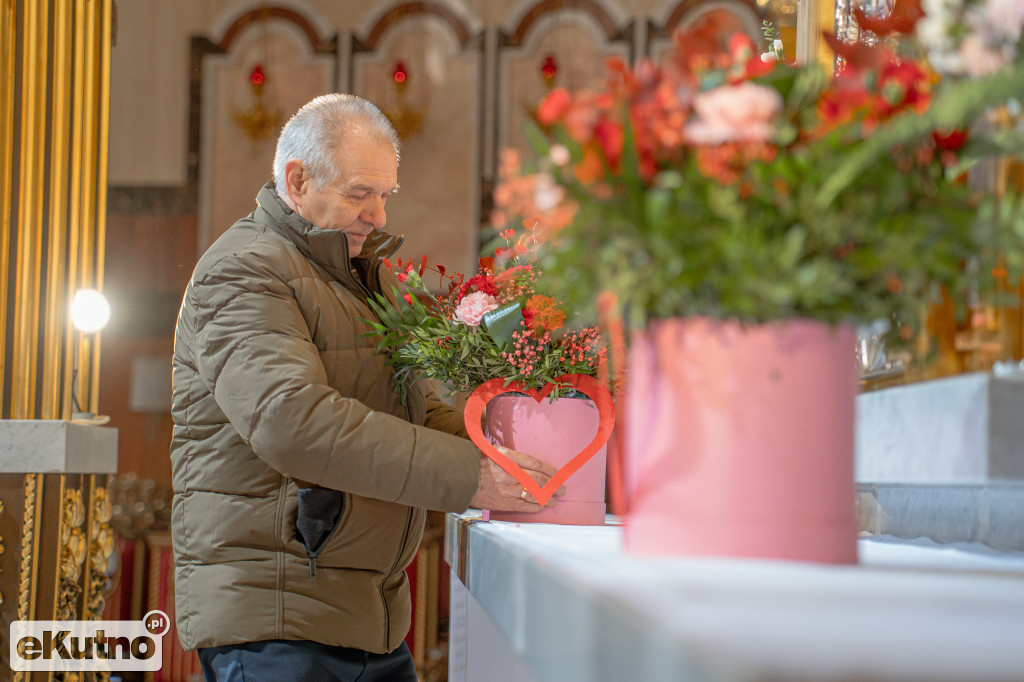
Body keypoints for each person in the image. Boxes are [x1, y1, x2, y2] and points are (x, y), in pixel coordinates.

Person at [170, 93, 562, 682]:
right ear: (297, 181)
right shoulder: (244, 269)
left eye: (385, 194)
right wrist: (470, 477)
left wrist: (515, 453)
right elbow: (292, 424)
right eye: (360, 193)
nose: (378, 215)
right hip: (279, 617)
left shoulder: (362, 278)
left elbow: (416, 410)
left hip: (365, 617)